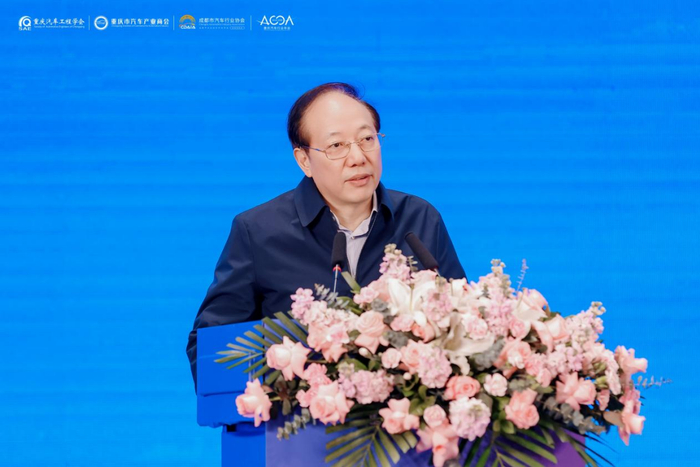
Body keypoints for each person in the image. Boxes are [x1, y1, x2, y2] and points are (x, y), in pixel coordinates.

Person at [186, 83, 466, 392]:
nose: (358, 157)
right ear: (304, 160)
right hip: (300, 419)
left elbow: (463, 325)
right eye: (336, 145)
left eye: (367, 139)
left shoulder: (420, 219)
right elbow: (210, 349)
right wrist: (279, 397)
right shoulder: (259, 232)